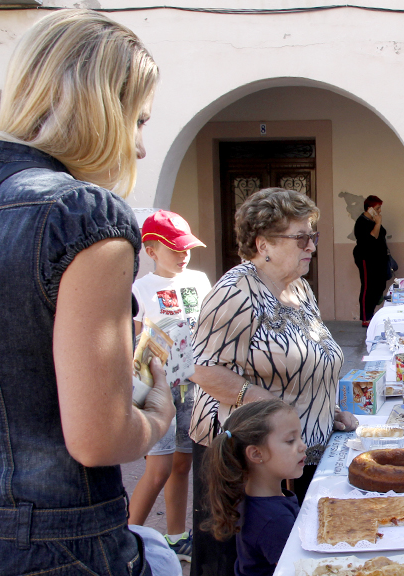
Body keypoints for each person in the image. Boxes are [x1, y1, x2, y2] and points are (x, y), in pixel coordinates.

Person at [0, 9, 175, 575]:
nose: (140, 148)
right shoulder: (84, 215)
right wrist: (159, 412)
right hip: (59, 544)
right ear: (100, 108)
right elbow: (100, 438)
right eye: (137, 121)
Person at [188, 187, 357, 575]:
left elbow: (302, 363)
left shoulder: (299, 288)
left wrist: (324, 408)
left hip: (293, 452)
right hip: (247, 465)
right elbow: (202, 369)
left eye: (312, 235)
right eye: (301, 237)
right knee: (236, 563)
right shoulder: (235, 292)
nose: (311, 245)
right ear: (263, 243)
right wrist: (271, 407)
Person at [129, 209, 213, 561]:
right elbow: (134, 343)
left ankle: (176, 536)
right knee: (159, 468)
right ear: (151, 250)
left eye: (186, 248)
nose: (184, 255)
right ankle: (124, 538)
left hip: (195, 388)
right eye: (175, 249)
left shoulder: (199, 280)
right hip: (161, 390)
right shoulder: (139, 288)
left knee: (183, 465)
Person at [202, 399, 305, 576]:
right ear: (256, 453)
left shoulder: (250, 496)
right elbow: (298, 570)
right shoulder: (274, 520)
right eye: (290, 440)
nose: (302, 446)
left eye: (300, 437)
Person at [353, 195, 390, 327]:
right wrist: (378, 222)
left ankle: (371, 313)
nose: (380, 211)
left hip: (378, 259)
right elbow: (373, 237)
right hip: (366, 258)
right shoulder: (362, 222)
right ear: (370, 209)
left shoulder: (373, 221)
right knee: (368, 286)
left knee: (379, 285)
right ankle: (366, 317)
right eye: (378, 208)